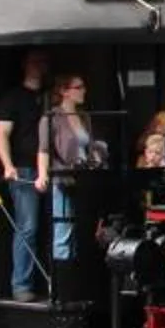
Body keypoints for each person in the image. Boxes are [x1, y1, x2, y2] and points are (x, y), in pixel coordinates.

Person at [0, 51, 53, 298]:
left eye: (42, 62)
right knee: (27, 226)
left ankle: (52, 284)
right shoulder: (13, 97)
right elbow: (2, 135)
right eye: (34, 63)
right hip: (24, 169)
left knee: (54, 226)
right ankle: (21, 285)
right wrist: (8, 165)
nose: (39, 67)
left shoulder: (50, 98)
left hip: (52, 169)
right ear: (25, 65)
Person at [44, 71, 99, 261]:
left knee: (81, 227)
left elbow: (90, 144)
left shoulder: (84, 116)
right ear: (64, 91)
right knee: (63, 226)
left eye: (83, 87)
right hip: (63, 177)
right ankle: (62, 274)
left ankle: (76, 270)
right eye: (78, 87)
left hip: (84, 176)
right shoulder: (53, 116)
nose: (83, 91)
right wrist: (43, 174)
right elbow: (44, 149)